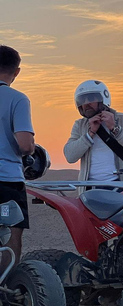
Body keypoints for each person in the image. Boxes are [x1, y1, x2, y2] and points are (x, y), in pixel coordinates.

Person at [64, 80, 123, 193]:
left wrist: (115, 128)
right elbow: (70, 155)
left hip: (120, 188)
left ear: (103, 98)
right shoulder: (80, 125)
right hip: (89, 190)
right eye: (82, 100)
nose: (86, 104)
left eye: (91, 98)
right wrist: (90, 134)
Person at [0, 45, 35, 271]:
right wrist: (31, 148)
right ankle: (8, 295)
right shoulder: (18, 99)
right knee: (12, 234)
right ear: (17, 71)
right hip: (7, 180)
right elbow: (24, 144)